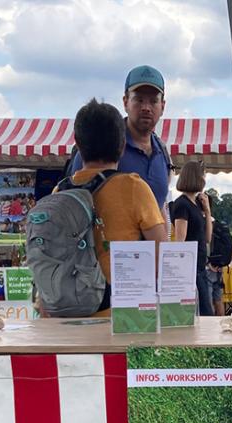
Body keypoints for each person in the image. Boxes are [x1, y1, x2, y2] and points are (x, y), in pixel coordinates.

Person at [63, 99, 167, 314]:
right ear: (122, 146)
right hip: (120, 317)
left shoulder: (61, 191)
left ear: (78, 144)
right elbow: (163, 256)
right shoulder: (134, 187)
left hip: (66, 314)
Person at [67, 65, 172, 210]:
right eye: (139, 100)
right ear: (125, 102)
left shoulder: (162, 153)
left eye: (153, 101)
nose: (146, 107)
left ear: (163, 106)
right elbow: (75, 205)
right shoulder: (102, 144)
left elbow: (160, 208)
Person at [170, 160, 215, 316]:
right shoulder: (182, 204)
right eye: (203, 176)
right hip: (191, 267)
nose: (204, 179)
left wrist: (207, 211)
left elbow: (207, 237)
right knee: (205, 311)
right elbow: (180, 240)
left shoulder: (196, 204)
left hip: (201, 264)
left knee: (205, 309)